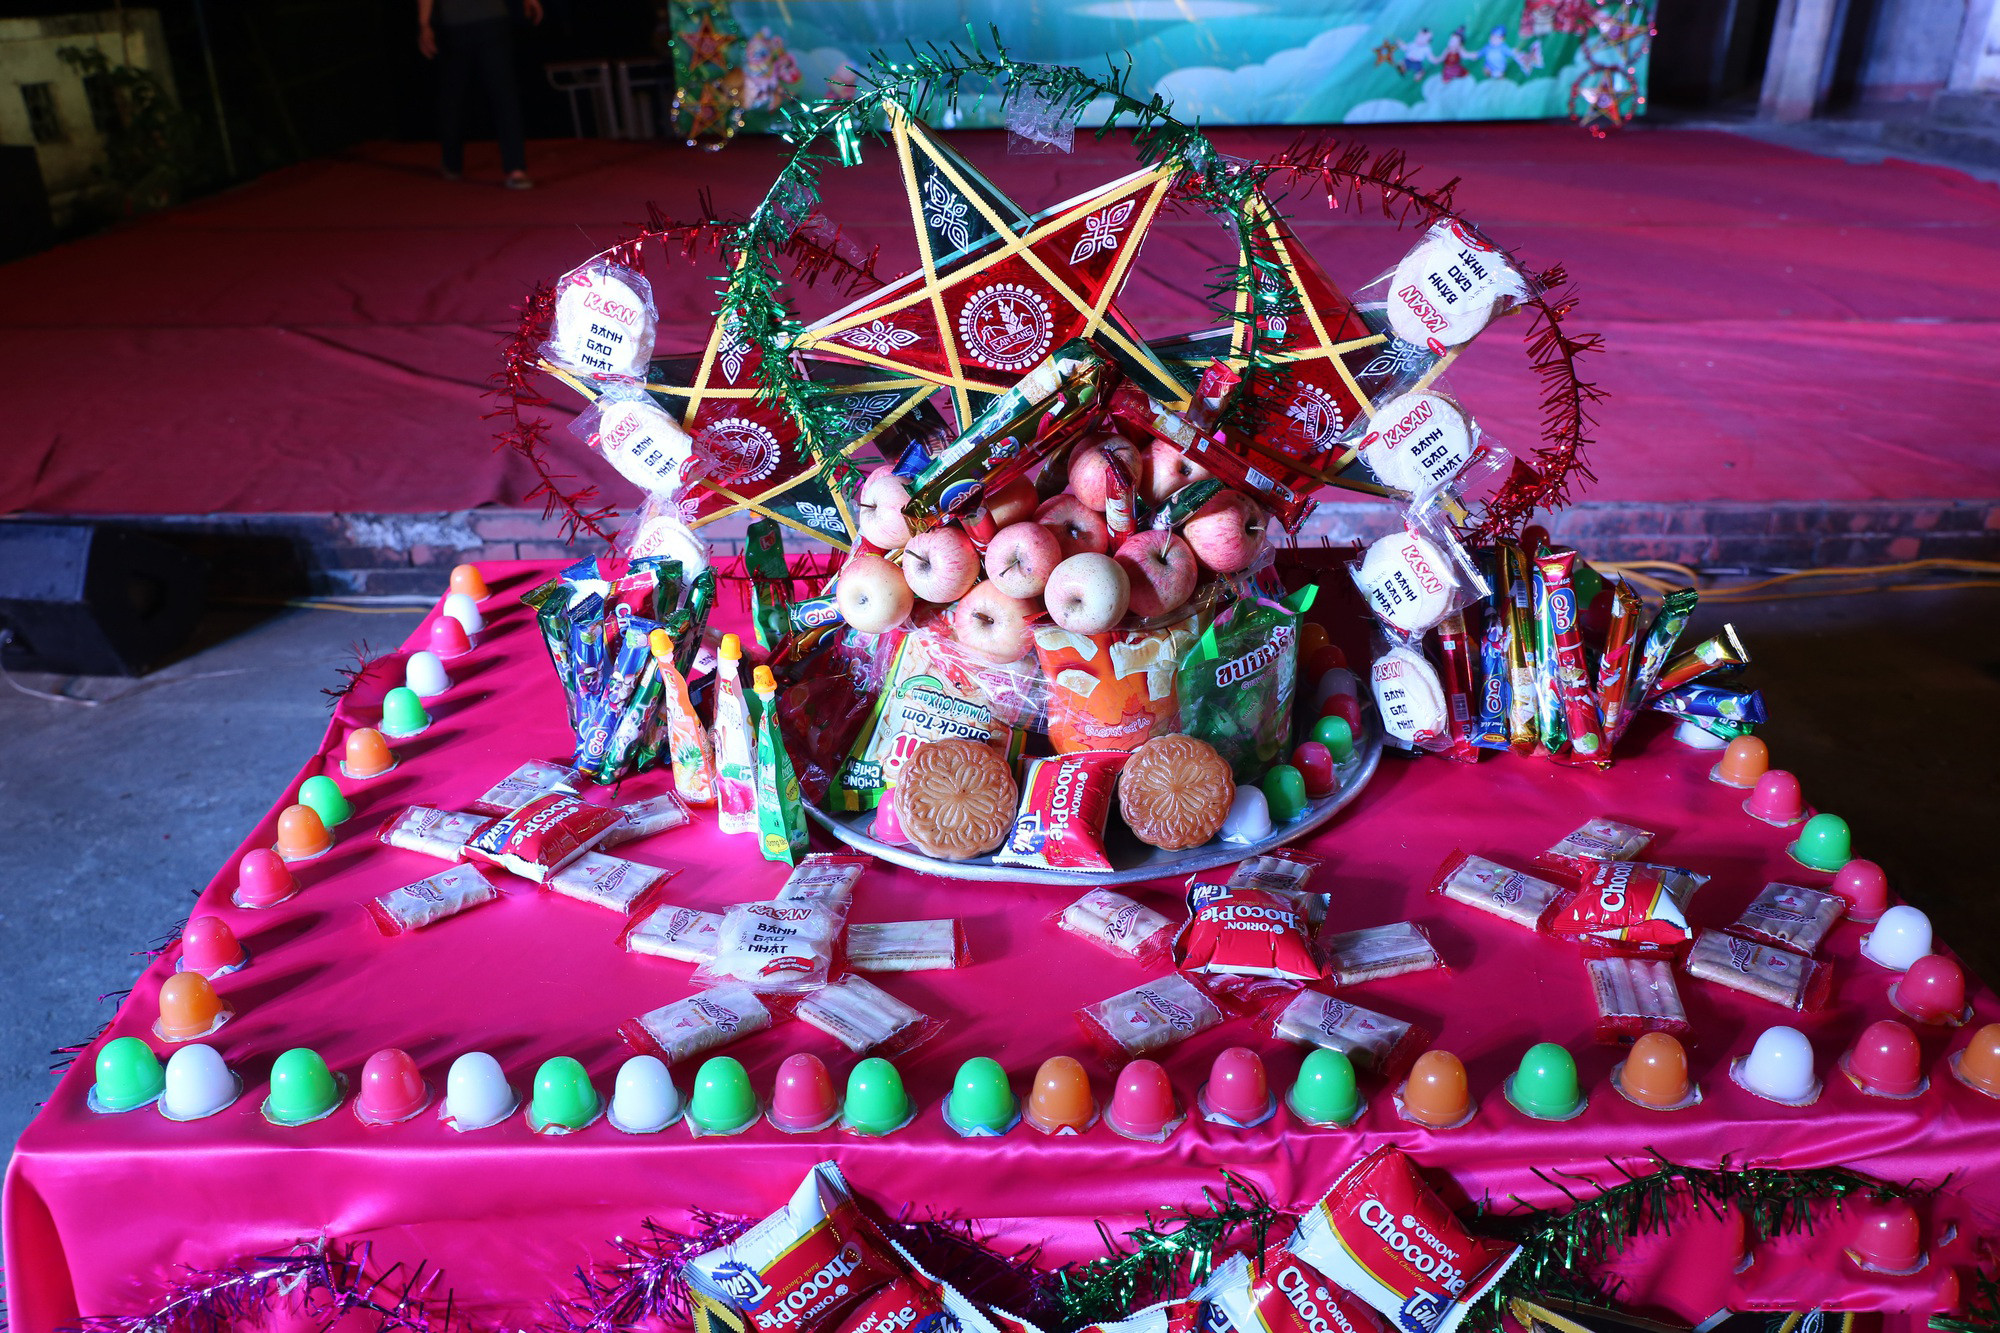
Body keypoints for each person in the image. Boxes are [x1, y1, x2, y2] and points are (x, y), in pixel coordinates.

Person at [418, 0, 542, 189]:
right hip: (473, 22)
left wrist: (424, 24)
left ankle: (454, 164)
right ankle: (514, 168)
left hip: (471, 22)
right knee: (497, 96)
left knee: (461, 97)